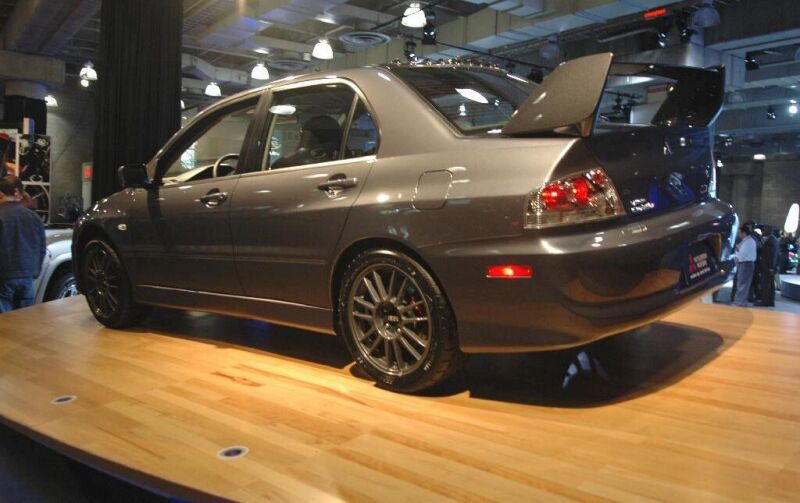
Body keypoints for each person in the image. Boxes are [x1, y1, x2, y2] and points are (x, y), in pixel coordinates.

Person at [0, 176, 46, 313]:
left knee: (4, 321)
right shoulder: (34, 217)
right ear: (17, 192)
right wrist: (35, 271)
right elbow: (42, 248)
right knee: (24, 320)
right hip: (28, 277)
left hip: (4, 278)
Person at [732, 225, 757, 307]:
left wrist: (736, 256)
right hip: (745, 264)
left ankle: (739, 302)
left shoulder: (749, 241)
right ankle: (742, 301)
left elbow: (742, 254)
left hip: (746, 264)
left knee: (742, 284)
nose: (739, 234)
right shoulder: (745, 241)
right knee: (743, 284)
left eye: (740, 232)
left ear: (744, 233)